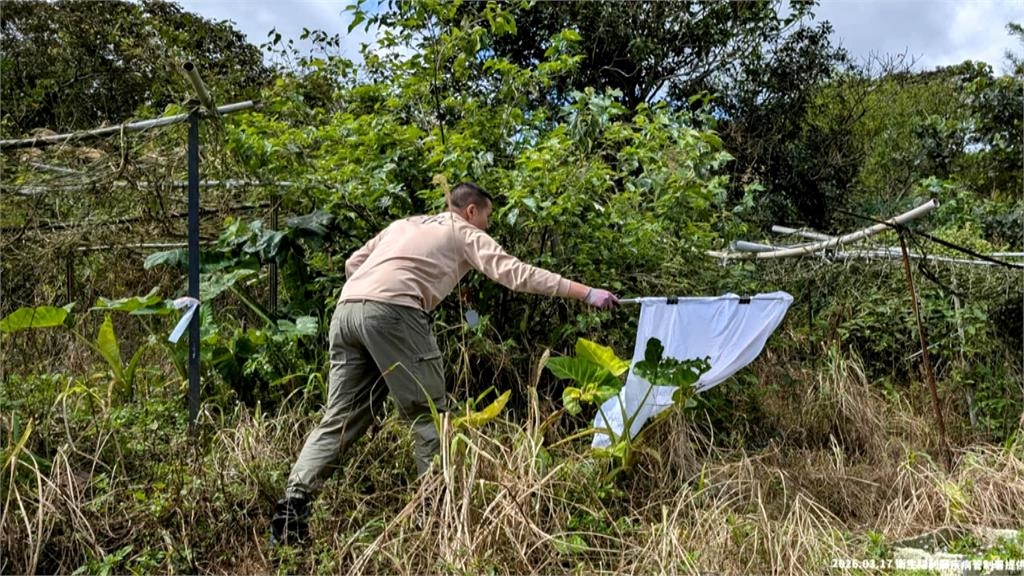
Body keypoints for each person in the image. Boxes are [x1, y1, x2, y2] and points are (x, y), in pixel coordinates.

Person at [270, 182, 618, 544]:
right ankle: (434, 518)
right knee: (431, 416)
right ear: (471, 211)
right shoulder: (465, 232)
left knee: (340, 417)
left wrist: (374, 297)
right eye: (487, 216)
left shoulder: (405, 224)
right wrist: (587, 293)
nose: (487, 225)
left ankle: (291, 511)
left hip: (347, 311)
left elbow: (352, 263)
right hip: (396, 312)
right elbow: (517, 275)